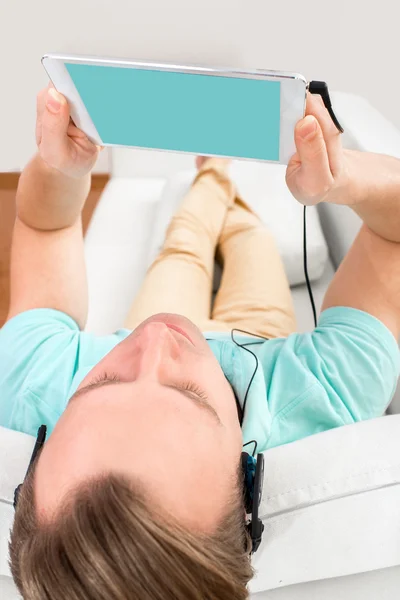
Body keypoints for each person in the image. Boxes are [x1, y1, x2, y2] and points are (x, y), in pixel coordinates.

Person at [2, 85, 399, 600]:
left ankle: (210, 178)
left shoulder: (33, 382)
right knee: (251, 238)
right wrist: (345, 179)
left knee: (185, 242)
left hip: (166, 299)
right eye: (187, 392)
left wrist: (60, 169)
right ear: (248, 481)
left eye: (101, 381)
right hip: (260, 335)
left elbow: (41, 223)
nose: (155, 342)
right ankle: (223, 185)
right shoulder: (319, 397)